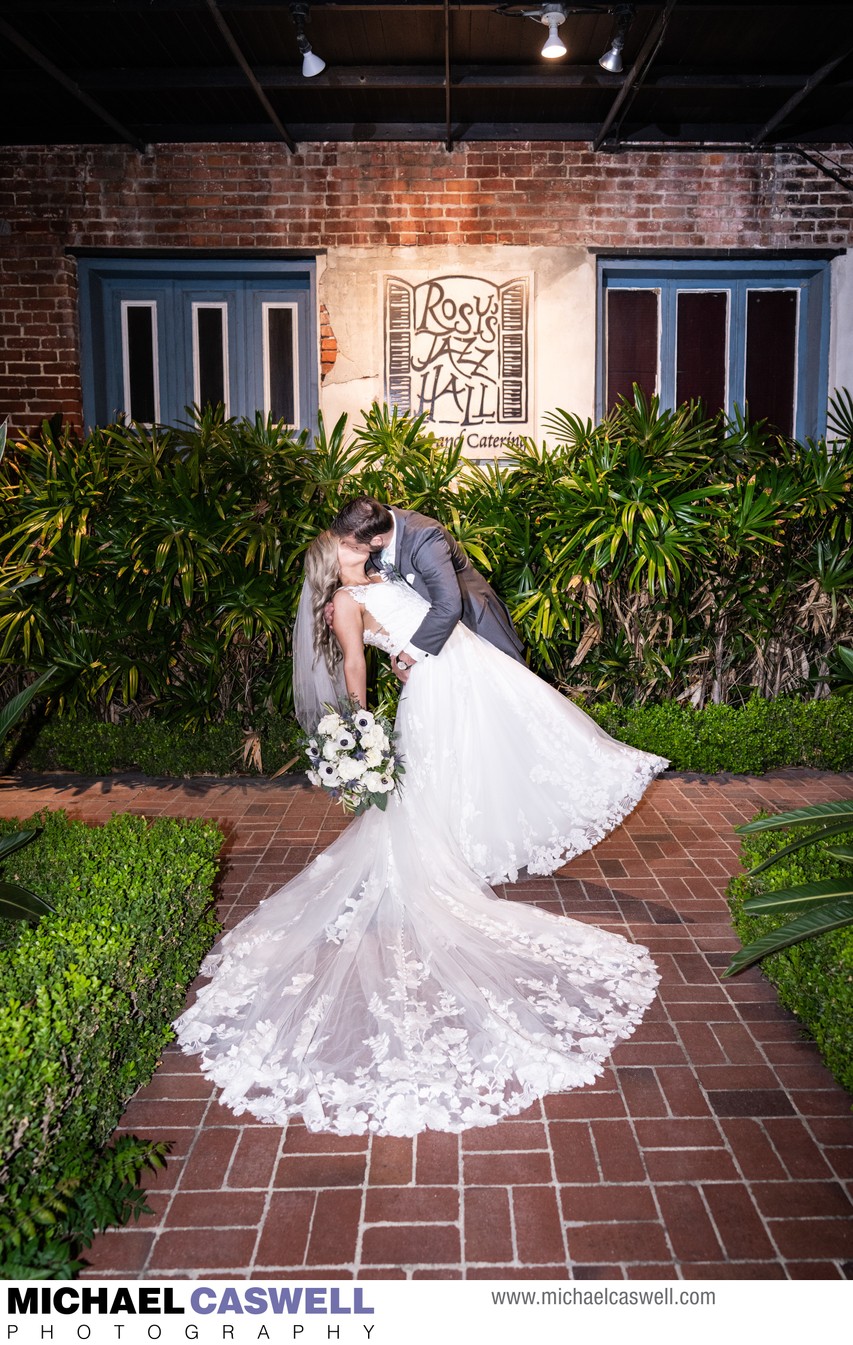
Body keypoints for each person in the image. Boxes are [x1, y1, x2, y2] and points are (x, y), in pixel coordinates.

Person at [174, 530, 668, 1137]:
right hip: (436, 688)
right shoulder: (344, 603)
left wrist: (408, 656)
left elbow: (432, 611)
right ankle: (437, 859)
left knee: (499, 756)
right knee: (436, 775)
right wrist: (357, 725)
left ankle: (463, 844)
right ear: (336, 560)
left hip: (461, 671)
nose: (355, 544)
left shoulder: (381, 575)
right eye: (346, 544)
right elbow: (356, 661)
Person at [330, 496, 524, 678]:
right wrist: (339, 610)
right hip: (435, 646)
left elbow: (448, 605)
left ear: (377, 541)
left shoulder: (424, 537)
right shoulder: (376, 529)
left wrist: (407, 656)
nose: (354, 550)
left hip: (472, 627)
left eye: (354, 546)